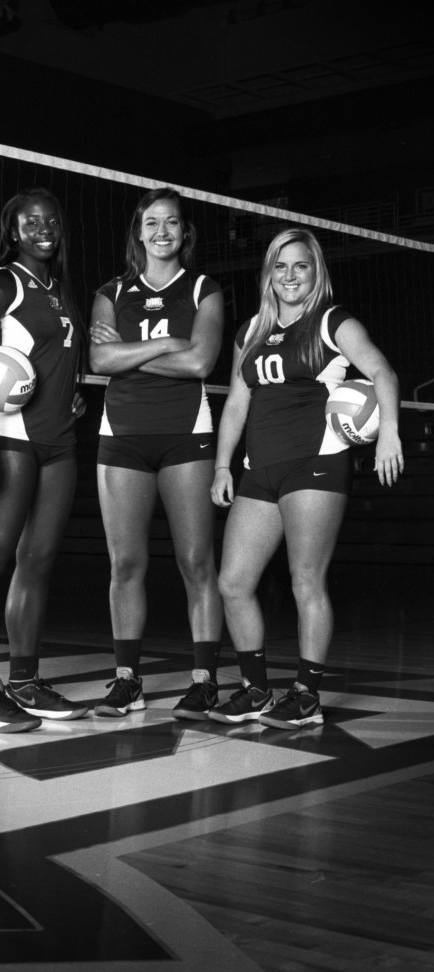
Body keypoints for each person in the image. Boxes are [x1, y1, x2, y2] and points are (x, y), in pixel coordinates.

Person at [210, 227, 403, 730]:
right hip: (259, 469)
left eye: (302, 266)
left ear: (317, 272)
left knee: (305, 580)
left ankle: (305, 695)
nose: (291, 276)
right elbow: (235, 403)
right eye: (281, 265)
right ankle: (255, 690)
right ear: (268, 273)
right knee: (232, 582)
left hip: (315, 464)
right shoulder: (249, 330)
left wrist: (389, 435)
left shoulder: (332, 322)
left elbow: (383, 372)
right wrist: (221, 465)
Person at [88, 187, 225, 719]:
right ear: (138, 232)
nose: (162, 231)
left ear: (184, 232)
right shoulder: (111, 291)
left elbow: (201, 364)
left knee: (196, 562)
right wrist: (170, 344)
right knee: (125, 564)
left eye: (171, 223)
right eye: (152, 223)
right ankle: (127, 681)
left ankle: (205, 680)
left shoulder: (203, 289)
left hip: (184, 434)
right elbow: (100, 359)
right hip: (121, 435)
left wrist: (128, 356)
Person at [0, 187, 88, 733]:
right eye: (31, 221)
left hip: (59, 440)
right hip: (10, 436)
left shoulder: (59, 289)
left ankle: (25, 682)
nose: (43, 227)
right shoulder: (4, 281)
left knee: (36, 563)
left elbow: (53, 359)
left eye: (51, 219)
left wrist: (71, 392)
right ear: (13, 231)